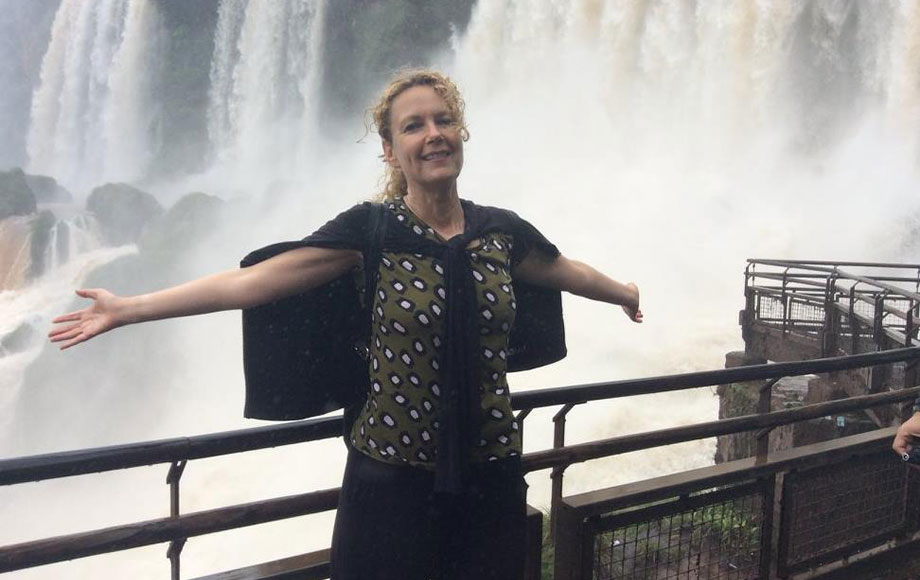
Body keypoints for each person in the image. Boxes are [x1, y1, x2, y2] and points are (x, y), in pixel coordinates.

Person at [49, 70, 643, 580]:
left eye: (443, 121)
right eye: (413, 126)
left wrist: (623, 292)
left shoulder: (501, 232)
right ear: (390, 150)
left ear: (461, 134)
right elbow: (253, 282)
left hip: (489, 473)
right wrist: (129, 309)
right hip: (389, 481)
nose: (433, 134)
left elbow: (563, 272)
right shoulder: (371, 232)